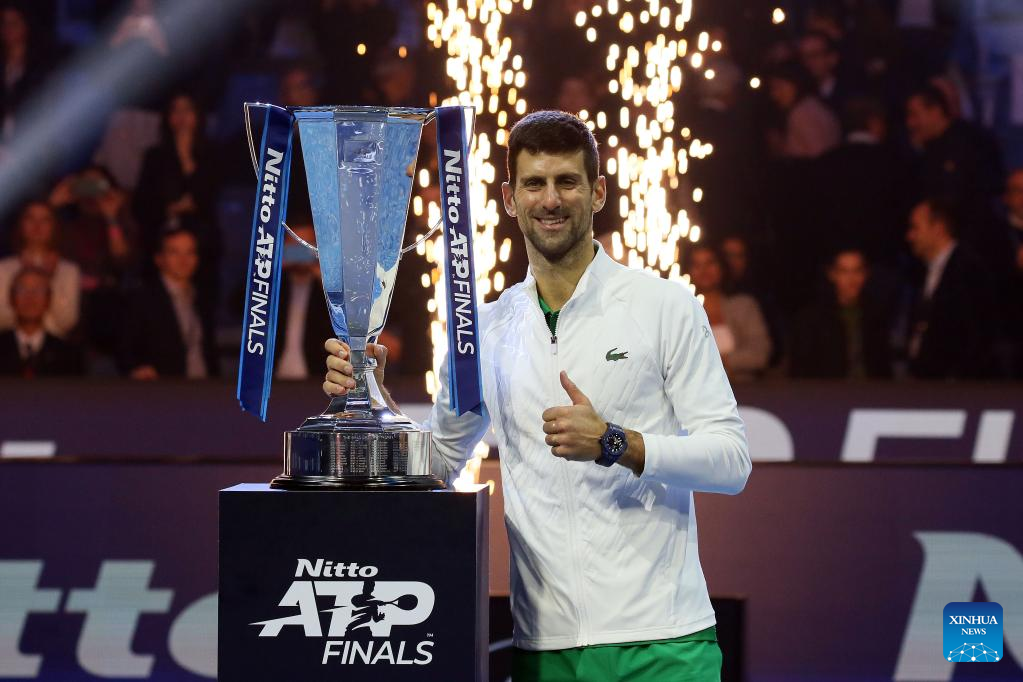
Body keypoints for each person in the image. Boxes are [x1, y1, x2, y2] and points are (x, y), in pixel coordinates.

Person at [325, 111, 751, 681]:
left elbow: (731, 460)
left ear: (598, 192)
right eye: (534, 184)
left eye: (567, 182)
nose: (551, 200)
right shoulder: (485, 330)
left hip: (664, 642)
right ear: (509, 198)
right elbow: (441, 465)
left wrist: (617, 443)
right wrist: (374, 401)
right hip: (544, 648)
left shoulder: (664, 307)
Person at [134, 92, 221, 294]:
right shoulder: (154, 157)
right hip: (160, 242)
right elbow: (140, 203)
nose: (181, 116)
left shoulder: (212, 154)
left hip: (202, 245)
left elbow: (208, 195)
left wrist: (186, 158)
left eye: (187, 110)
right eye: (175, 110)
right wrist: (168, 209)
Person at [904, 198, 996, 380]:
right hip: (927, 385)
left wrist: (957, 382)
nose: (910, 236)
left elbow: (976, 335)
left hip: (957, 389)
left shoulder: (969, 269)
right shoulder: (921, 272)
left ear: (938, 228)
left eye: (915, 228)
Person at [119, 228, 217, 379]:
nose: (183, 260)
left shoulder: (201, 298)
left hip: (204, 389)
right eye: (174, 252)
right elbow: (125, 348)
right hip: (163, 392)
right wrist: (137, 369)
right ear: (159, 258)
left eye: (190, 252)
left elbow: (208, 351)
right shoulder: (142, 299)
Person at [789, 248, 892, 379]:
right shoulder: (811, 319)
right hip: (827, 395)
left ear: (866, 274)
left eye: (857, 271)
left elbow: (883, 367)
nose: (852, 279)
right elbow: (801, 369)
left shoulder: (877, 316)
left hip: (872, 394)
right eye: (844, 271)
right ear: (832, 274)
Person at [684, 243, 772, 381]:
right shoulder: (681, 311)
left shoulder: (743, 306)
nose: (704, 270)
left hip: (745, 390)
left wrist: (721, 361)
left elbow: (760, 354)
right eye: (697, 265)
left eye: (710, 263)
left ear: (721, 267)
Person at [0, 200, 80, 336]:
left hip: (54, 349)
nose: (37, 226)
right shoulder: (4, 268)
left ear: (54, 226)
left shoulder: (68, 270)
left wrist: (48, 280)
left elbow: (66, 321)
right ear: (21, 225)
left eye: (45, 220)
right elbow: (3, 319)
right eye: (30, 218)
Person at [0, 266, 82, 377]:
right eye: (22, 290)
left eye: (39, 290)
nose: (30, 297)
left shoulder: (69, 355)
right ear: (11, 298)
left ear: (49, 299)